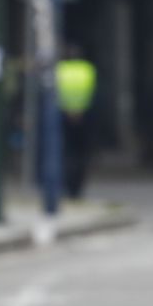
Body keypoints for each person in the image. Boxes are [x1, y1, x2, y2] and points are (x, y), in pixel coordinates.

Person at [56, 44, 98, 200]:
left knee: (67, 153)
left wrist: (68, 110)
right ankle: (77, 188)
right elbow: (93, 93)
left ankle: (68, 186)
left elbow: (56, 93)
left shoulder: (61, 69)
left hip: (65, 117)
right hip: (84, 117)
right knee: (81, 155)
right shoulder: (88, 69)